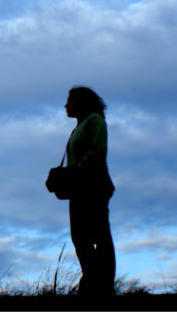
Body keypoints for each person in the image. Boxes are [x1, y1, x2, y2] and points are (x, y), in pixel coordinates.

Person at [62, 86, 116, 296]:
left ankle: (102, 286)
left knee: (99, 236)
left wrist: (74, 171)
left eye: (70, 100)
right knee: (80, 237)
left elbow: (98, 150)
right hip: (78, 188)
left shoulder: (95, 120)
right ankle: (92, 280)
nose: (66, 105)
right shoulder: (79, 127)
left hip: (93, 186)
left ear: (82, 102)